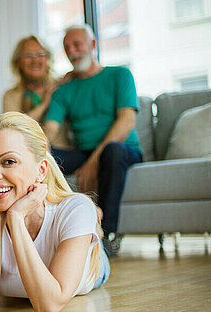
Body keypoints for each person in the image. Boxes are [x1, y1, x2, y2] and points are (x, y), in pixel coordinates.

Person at [0, 112, 109, 312]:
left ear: (41, 171)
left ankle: (91, 227)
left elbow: (49, 304)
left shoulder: (75, 209)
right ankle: (90, 224)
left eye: (9, 161)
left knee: (84, 210)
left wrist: (16, 218)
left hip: (94, 268)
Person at [43, 24, 142, 256]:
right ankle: (51, 235)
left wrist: (93, 162)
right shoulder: (64, 90)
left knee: (113, 152)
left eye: (77, 44)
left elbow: (126, 121)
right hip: (84, 151)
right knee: (45, 157)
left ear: (93, 45)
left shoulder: (120, 75)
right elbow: (50, 129)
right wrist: (42, 148)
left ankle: (108, 237)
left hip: (123, 150)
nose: (73, 51)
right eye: (67, 47)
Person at [3, 35, 71, 150]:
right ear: (18, 62)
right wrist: (44, 104)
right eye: (28, 56)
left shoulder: (61, 86)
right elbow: (14, 131)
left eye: (40, 55)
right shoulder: (11, 95)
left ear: (48, 59)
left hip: (61, 152)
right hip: (24, 151)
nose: (35, 61)